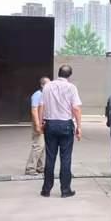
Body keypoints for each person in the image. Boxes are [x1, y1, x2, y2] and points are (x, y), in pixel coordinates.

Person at [39, 65, 82, 198]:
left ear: (58, 73)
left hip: (50, 124)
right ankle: (65, 190)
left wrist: (41, 123)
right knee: (65, 158)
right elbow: (76, 108)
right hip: (65, 125)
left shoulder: (47, 86)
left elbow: (42, 105)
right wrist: (79, 126)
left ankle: (46, 190)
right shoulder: (71, 87)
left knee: (50, 157)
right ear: (69, 75)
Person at [25, 77, 50, 176]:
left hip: (44, 123)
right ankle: (30, 168)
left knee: (42, 146)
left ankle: (40, 167)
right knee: (38, 145)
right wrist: (37, 125)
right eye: (47, 84)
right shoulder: (37, 95)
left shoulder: (45, 95)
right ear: (42, 85)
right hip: (38, 123)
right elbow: (34, 110)